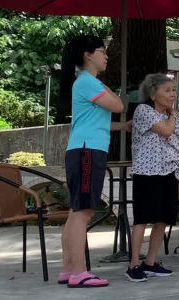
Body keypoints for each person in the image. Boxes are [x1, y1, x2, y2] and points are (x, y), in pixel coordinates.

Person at [57, 36, 127, 288]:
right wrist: (108, 88)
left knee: (76, 212)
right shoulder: (88, 82)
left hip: (83, 148)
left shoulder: (86, 83)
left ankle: (68, 269)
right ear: (88, 55)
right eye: (102, 51)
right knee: (83, 213)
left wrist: (125, 126)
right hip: (88, 151)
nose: (106, 56)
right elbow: (118, 105)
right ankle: (79, 272)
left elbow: (97, 121)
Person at [126, 74, 179, 282]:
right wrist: (174, 115)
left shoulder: (175, 116)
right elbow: (166, 131)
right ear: (153, 94)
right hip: (147, 171)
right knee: (143, 217)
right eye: (167, 90)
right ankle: (134, 264)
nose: (172, 94)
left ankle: (150, 262)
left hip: (169, 172)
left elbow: (178, 148)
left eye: (173, 90)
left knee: (164, 218)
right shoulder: (144, 111)